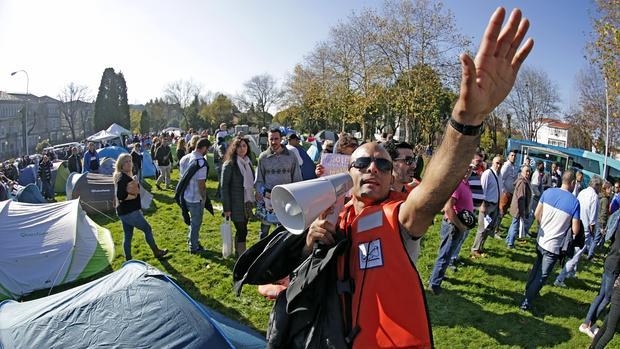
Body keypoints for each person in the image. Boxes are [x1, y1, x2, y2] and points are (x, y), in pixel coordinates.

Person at [286, 8, 533, 346]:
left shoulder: (401, 217)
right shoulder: (333, 219)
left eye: (383, 164)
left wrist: (467, 119)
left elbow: (434, 188)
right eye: (362, 163)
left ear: (392, 179)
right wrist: (310, 245)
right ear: (349, 173)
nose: (373, 168)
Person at [520, 170, 580, 311]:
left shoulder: (548, 192)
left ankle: (528, 292)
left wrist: (543, 225)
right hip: (553, 245)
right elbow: (576, 230)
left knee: (536, 268)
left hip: (541, 239)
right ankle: (527, 302)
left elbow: (536, 214)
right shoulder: (574, 202)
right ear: (572, 183)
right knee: (542, 275)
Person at [428, 163, 475, 294]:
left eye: (470, 168)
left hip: (458, 225)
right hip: (453, 226)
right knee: (444, 254)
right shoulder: (457, 185)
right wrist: (460, 226)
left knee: (448, 254)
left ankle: (438, 276)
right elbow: (448, 207)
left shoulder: (465, 184)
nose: (468, 171)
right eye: (466, 168)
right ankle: (434, 284)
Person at [114, 153, 168, 261]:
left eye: (130, 161)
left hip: (124, 212)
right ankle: (156, 252)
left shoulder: (124, 175)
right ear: (121, 165)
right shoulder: (121, 177)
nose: (129, 164)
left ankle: (128, 259)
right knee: (147, 229)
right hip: (129, 212)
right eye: (126, 162)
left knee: (128, 235)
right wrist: (133, 196)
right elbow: (121, 196)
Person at [554, 176, 603, 287]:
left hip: (576, 224)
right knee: (576, 255)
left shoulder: (583, 192)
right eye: (600, 186)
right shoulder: (594, 197)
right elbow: (593, 219)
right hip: (585, 229)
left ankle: (571, 273)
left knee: (574, 252)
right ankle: (560, 279)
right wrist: (592, 232)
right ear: (597, 185)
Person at [255, 128, 302, 239]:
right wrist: (259, 193)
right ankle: (261, 254)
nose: (274, 142)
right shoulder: (263, 157)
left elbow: (297, 178)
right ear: (268, 140)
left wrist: (297, 197)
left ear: (281, 139)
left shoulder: (291, 156)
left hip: (286, 199)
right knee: (264, 232)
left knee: (283, 232)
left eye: (276, 139)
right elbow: (259, 179)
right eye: (271, 139)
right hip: (268, 199)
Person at [579, 217, 620, 338]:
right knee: (607, 298)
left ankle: (587, 323)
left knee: (601, 295)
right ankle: (589, 324)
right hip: (615, 265)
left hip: (610, 261)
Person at [221, 137, 255, 257]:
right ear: (234, 148)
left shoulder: (248, 162)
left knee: (243, 229)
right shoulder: (229, 165)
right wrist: (226, 208)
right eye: (239, 146)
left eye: (244, 146)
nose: (242, 149)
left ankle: (239, 253)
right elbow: (224, 188)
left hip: (246, 203)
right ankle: (242, 254)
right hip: (235, 204)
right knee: (242, 230)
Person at [177, 138, 210, 254]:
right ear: (204, 148)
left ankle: (192, 240)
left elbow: (182, 179)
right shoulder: (201, 162)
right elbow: (201, 184)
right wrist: (204, 197)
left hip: (185, 196)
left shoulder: (184, 158)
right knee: (196, 223)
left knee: (192, 222)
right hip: (196, 197)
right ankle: (194, 246)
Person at [470, 155, 503, 257]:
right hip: (487, 205)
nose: (499, 165)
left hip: (494, 205)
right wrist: (482, 205)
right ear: (493, 163)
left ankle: (481, 247)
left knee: (488, 228)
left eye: (501, 164)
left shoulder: (499, 175)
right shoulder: (487, 174)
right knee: (482, 228)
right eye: (497, 163)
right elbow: (482, 190)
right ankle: (475, 249)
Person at [505, 164, 532, 248]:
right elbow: (521, 198)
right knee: (515, 226)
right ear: (522, 172)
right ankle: (510, 243)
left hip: (517, 207)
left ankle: (508, 240)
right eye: (526, 171)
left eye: (529, 171)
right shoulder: (522, 183)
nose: (528, 173)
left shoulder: (524, 180)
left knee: (513, 224)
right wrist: (522, 212)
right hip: (518, 208)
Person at [589, 275, 620, 348]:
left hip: (616, 291)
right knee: (610, 332)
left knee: (605, 327)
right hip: (618, 296)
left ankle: (592, 347)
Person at [589, 181, 612, 259]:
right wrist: (602, 226)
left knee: (595, 238)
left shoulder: (600, 196)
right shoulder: (605, 199)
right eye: (610, 189)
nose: (611, 191)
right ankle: (590, 255)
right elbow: (603, 213)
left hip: (597, 220)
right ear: (605, 189)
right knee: (596, 239)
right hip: (600, 222)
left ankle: (591, 252)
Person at [499, 150, 518, 232]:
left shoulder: (513, 166)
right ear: (508, 156)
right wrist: (504, 191)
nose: (513, 157)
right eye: (512, 155)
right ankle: (495, 229)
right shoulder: (507, 166)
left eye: (514, 156)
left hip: (510, 193)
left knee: (504, 212)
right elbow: (501, 178)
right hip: (505, 193)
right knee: (501, 211)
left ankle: (497, 226)